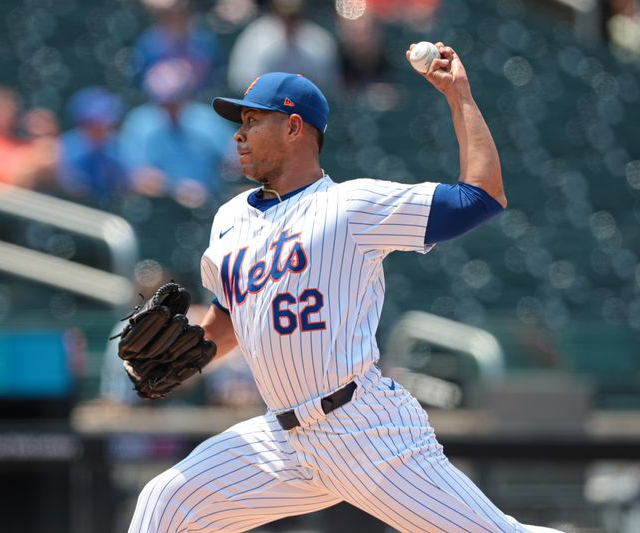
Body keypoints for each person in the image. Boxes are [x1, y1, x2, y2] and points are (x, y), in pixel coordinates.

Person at [127, 43, 564, 532]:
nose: (240, 135)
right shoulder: (230, 219)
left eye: (253, 121)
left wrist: (458, 93)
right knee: (166, 501)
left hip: (364, 427)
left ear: (294, 127)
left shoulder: (350, 206)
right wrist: (191, 353)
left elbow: (481, 196)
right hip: (283, 439)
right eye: (240, 123)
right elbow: (231, 317)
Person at [118, 59, 237, 208]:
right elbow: (136, 177)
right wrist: (176, 189)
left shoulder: (206, 119)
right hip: (160, 207)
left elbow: (236, 157)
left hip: (209, 204)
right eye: (164, 103)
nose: (170, 109)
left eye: (176, 100)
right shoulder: (139, 123)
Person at [58, 86, 129, 204]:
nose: (103, 127)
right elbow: (69, 188)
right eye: (96, 123)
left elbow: (124, 185)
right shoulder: (64, 148)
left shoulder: (116, 147)